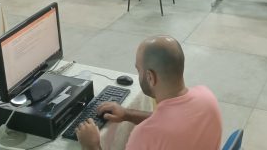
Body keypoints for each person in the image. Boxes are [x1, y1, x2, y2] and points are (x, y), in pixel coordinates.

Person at [75, 35, 222, 150]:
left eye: (138, 70)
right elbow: (173, 122)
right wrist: (127, 114)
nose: (138, 75)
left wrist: (91, 145)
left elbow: (162, 127)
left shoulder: (145, 136)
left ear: (150, 77)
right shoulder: (207, 98)